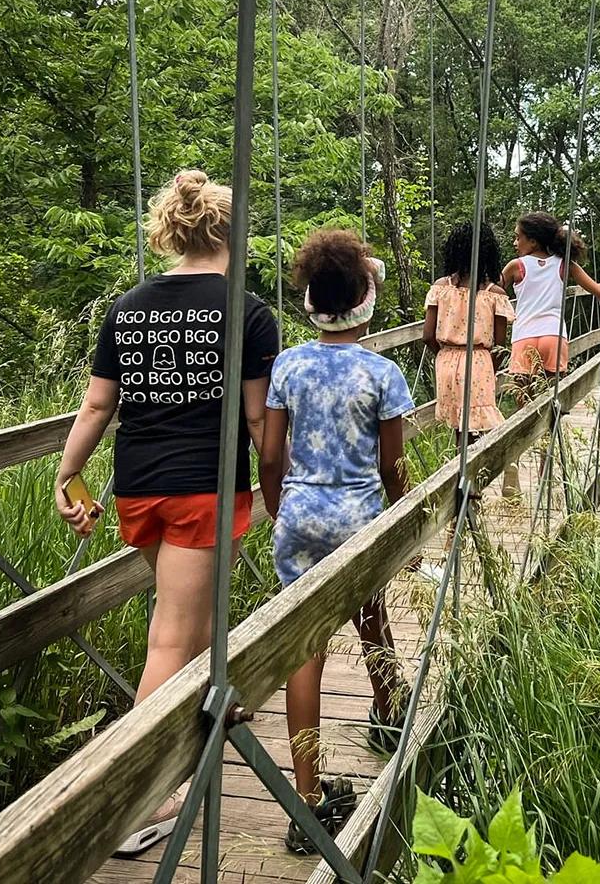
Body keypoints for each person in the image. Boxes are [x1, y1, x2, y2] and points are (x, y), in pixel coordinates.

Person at [55, 169, 279, 854]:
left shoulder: (128, 305)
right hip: (201, 490)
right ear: (232, 234)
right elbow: (256, 420)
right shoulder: (247, 310)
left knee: (195, 617)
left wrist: (67, 472)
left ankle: (198, 724)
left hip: (138, 487)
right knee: (173, 635)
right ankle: (143, 792)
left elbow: (99, 403)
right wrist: (281, 486)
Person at [260, 228, 413, 851]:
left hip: (299, 512)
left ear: (311, 302)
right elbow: (392, 465)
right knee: (369, 609)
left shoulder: (288, 364)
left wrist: (281, 508)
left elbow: (271, 454)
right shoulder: (382, 372)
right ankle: (389, 711)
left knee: (305, 647)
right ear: (364, 298)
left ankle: (307, 796)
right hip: (358, 517)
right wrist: (403, 518)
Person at [500, 211, 600, 386]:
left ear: (533, 241)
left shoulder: (516, 266)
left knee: (524, 401)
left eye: (517, 237)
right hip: (553, 335)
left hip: (524, 336)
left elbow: (490, 291)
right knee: (552, 401)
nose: (515, 243)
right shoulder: (564, 264)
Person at [423, 221, 514, 444]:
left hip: (446, 360)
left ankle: (460, 474)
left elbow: (427, 335)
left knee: (459, 429)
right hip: (479, 361)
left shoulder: (440, 287)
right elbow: (500, 346)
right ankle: (477, 475)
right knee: (478, 428)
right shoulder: (495, 293)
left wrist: (447, 356)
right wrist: (483, 365)